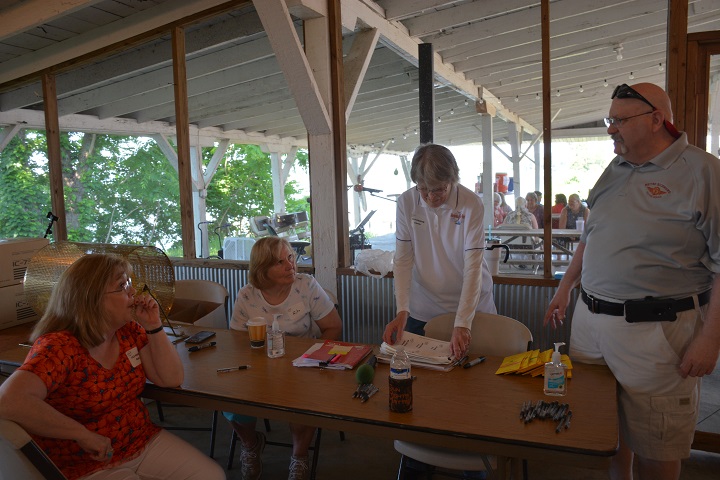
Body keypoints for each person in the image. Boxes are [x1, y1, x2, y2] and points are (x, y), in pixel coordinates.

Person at [544, 83, 720, 480]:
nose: (611, 129)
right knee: (605, 433)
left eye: (620, 120)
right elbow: (591, 237)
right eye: (610, 120)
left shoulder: (704, 171)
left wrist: (711, 339)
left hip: (655, 331)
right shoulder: (615, 168)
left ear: (657, 119)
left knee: (656, 446)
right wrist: (565, 287)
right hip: (590, 324)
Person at [0, 254, 225, 480]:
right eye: (122, 286)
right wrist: (82, 434)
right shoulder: (60, 346)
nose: (133, 292)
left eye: (129, 283)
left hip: (138, 441)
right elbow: (8, 401)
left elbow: (171, 378)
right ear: (92, 298)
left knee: (212, 476)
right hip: (84, 461)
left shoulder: (128, 331)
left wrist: (154, 326)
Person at [225, 236, 342, 480]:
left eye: (290, 257)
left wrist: (312, 357)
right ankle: (250, 444)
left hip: (302, 366)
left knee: (303, 401)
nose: (291, 265)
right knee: (230, 399)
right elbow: (236, 339)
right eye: (280, 262)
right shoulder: (247, 295)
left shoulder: (305, 285)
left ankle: (299, 455)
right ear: (262, 269)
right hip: (259, 367)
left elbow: (333, 327)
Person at [382, 143, 496, 361]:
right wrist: (402, 309)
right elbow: (403, 260)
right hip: (424, 305)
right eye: (424, 189)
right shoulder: (406, 202)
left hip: (472, 306)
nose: (431, 197)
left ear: (452, 180)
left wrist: (462, 322)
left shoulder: (471, 203)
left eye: (438, 189)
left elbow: (473, 266)